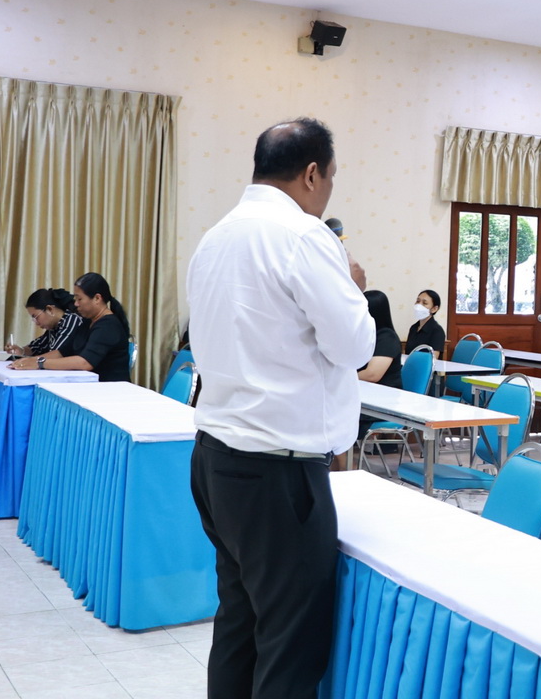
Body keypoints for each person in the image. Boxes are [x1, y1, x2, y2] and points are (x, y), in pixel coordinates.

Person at [186, 118, 375, 699]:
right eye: (331, 177)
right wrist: (353, 288)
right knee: (290, 646)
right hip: (277, 470)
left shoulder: (216, 236)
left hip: (216, 457)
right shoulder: (304, 235)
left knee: (239, 625)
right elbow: (355, 348)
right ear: (312, 174)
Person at [8, 273, 131, 382]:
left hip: (109, 389)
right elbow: (63, 352)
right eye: (75, 299)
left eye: (79, 299)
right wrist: (30, 361)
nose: (76, 304)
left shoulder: (108, 326)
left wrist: (39, 363)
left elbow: (85, 362)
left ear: (97, 298)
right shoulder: (87, 322)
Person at [5, 287, 86, 357]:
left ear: (50, 309)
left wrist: (30, 361)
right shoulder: (54, 327)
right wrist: (21, 350)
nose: (36, 323)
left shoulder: (72, 320)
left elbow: (57, 354)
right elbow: (37, 347)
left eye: (36, 317)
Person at [405, 289, 445, 358]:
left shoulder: (437, 331)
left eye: (424, 303)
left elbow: (433, 358)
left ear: (434, 309)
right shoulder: (413, 328)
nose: (419, 305)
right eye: (418, 301)